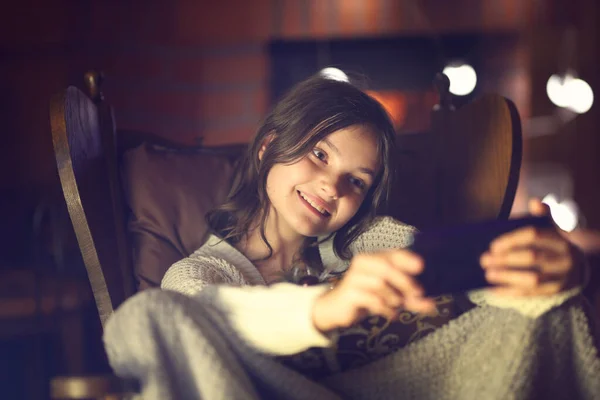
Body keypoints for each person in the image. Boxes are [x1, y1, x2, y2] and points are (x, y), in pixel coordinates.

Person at [105, 76, 600, 399]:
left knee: (550, 308)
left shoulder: (372, 242)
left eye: (356, 181)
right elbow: (202, 328)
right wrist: (323, 308)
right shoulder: (199, 274)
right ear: (268, 147)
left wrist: (548, 275)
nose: (332, 186)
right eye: (319, 155)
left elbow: (459, 296)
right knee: (152, 317)